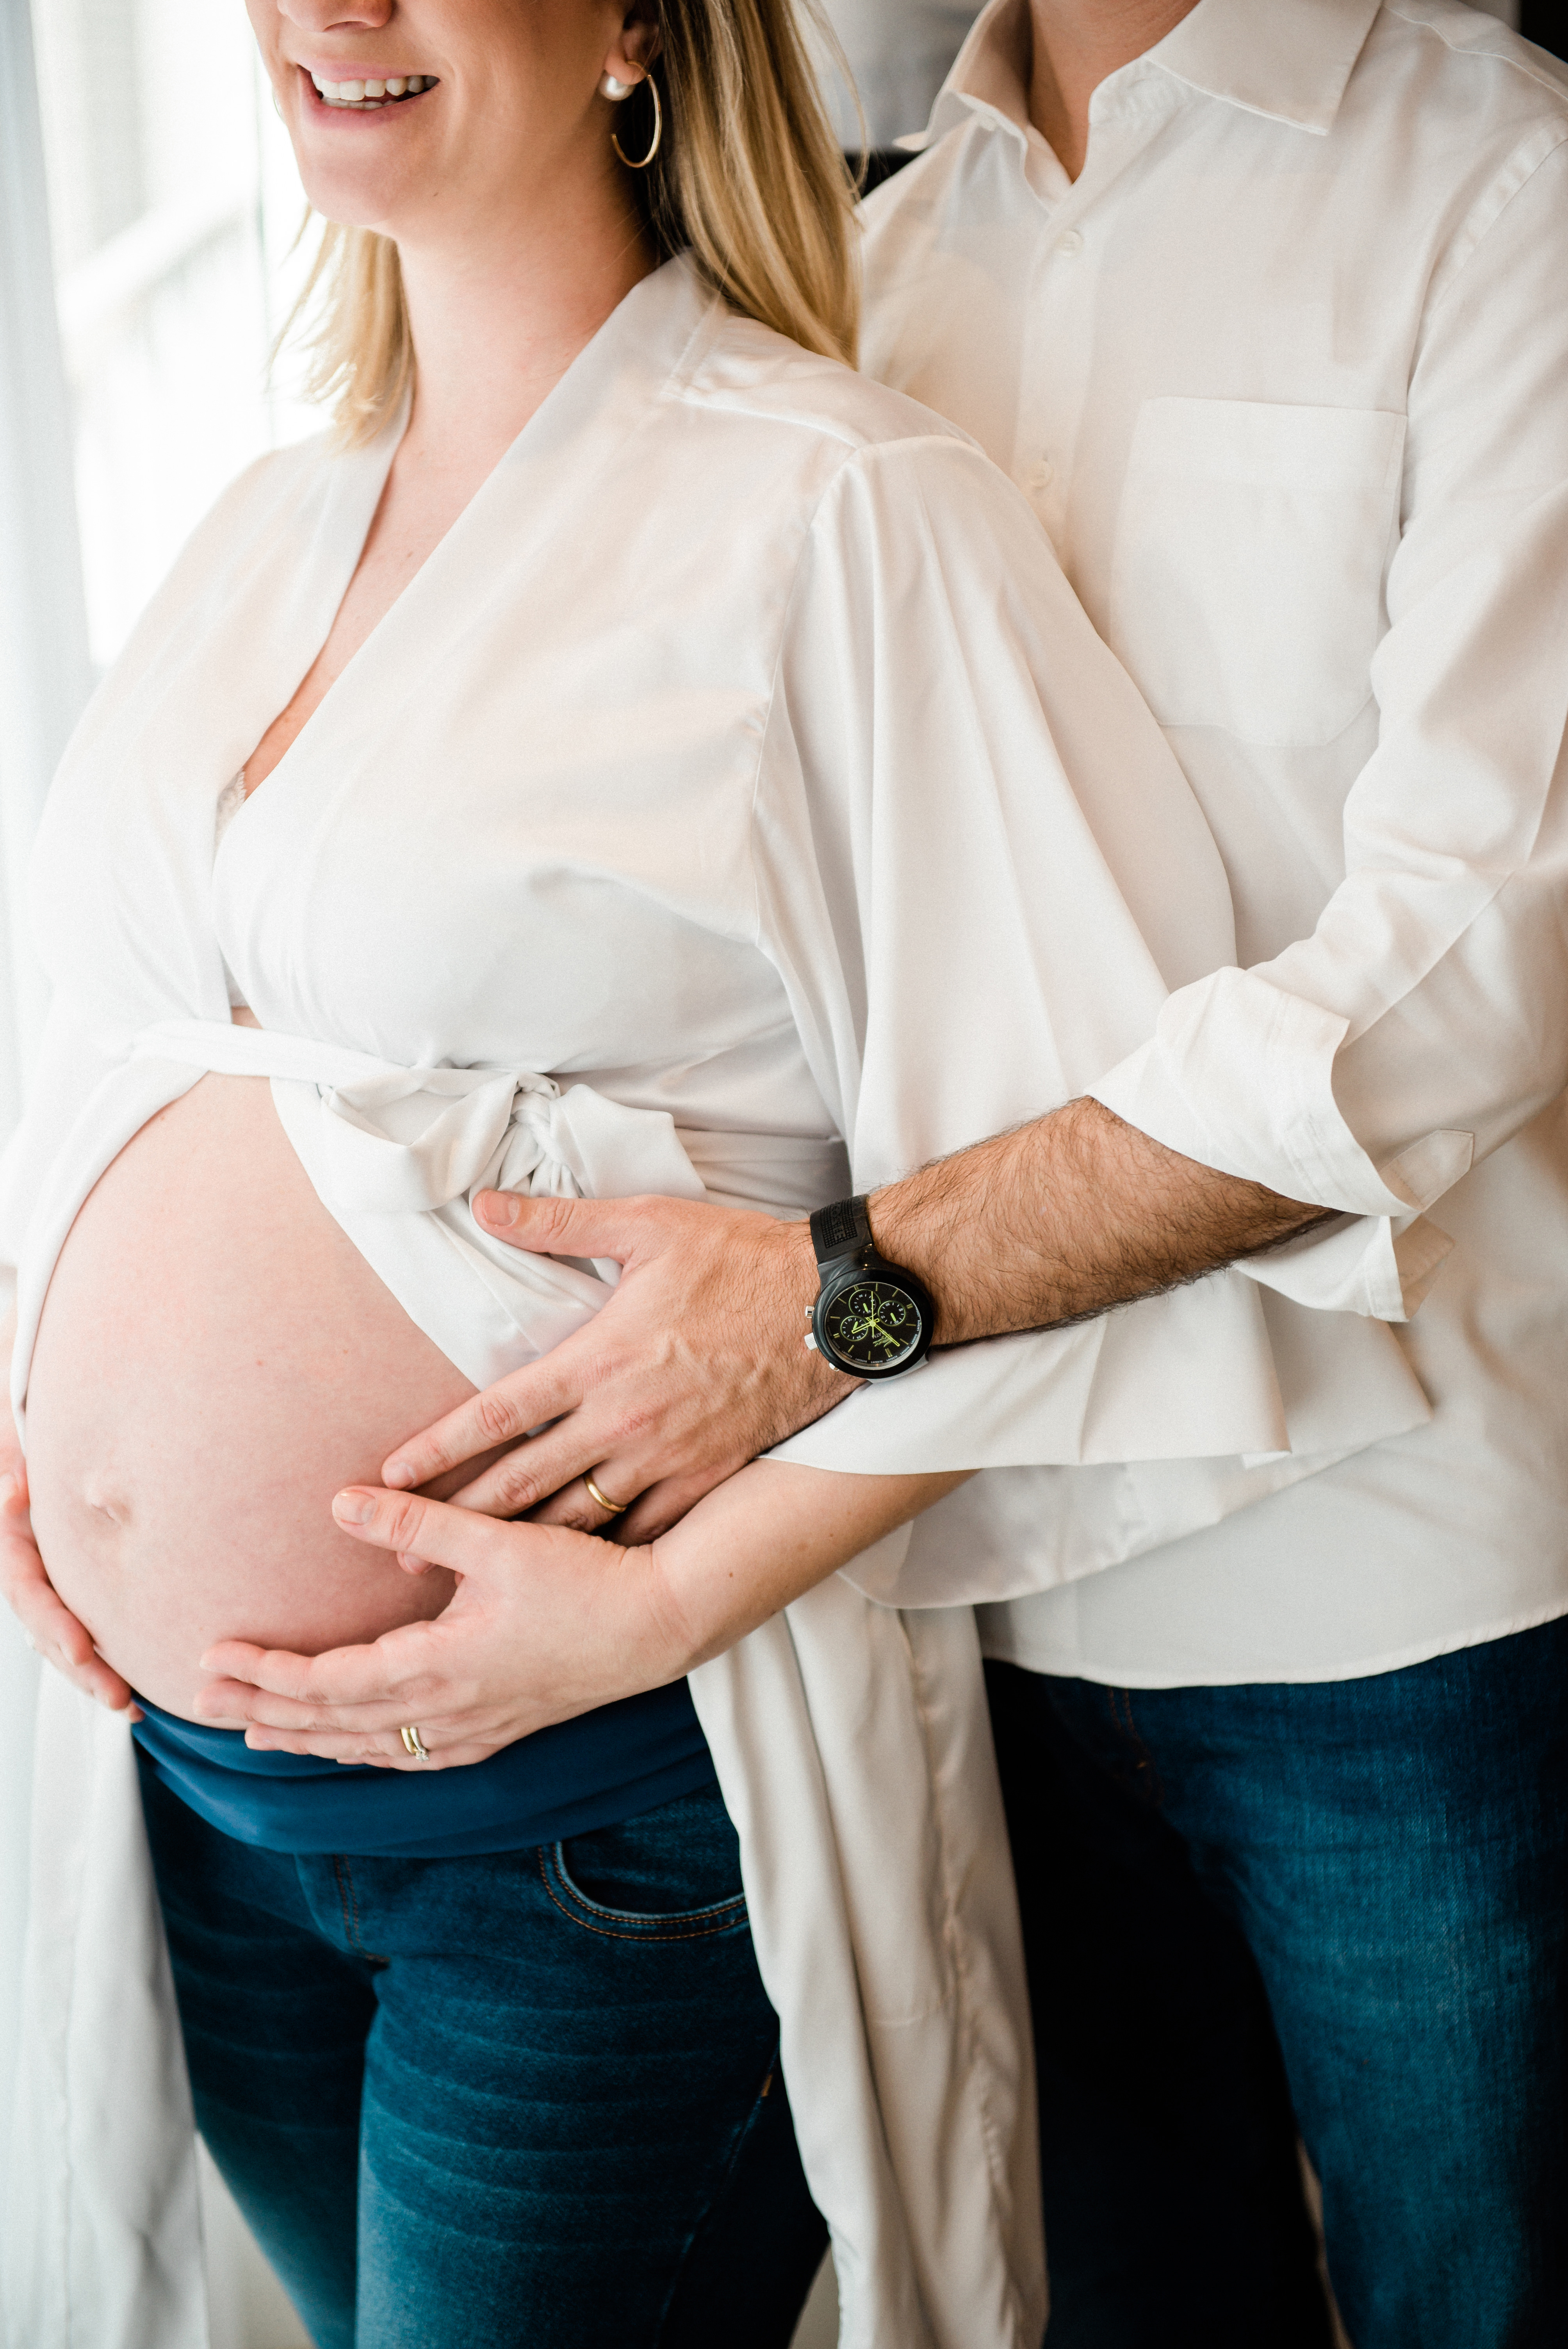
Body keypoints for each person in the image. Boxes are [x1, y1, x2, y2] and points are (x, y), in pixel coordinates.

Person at [0, 1, 1410, 2343]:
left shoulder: (836, 506)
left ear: (633, 23)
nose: (329, 12)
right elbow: (112, 1077)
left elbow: (1097, 1210)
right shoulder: (268, 519)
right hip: (213, 1826)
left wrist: (658, 1608)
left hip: (585, 1831)